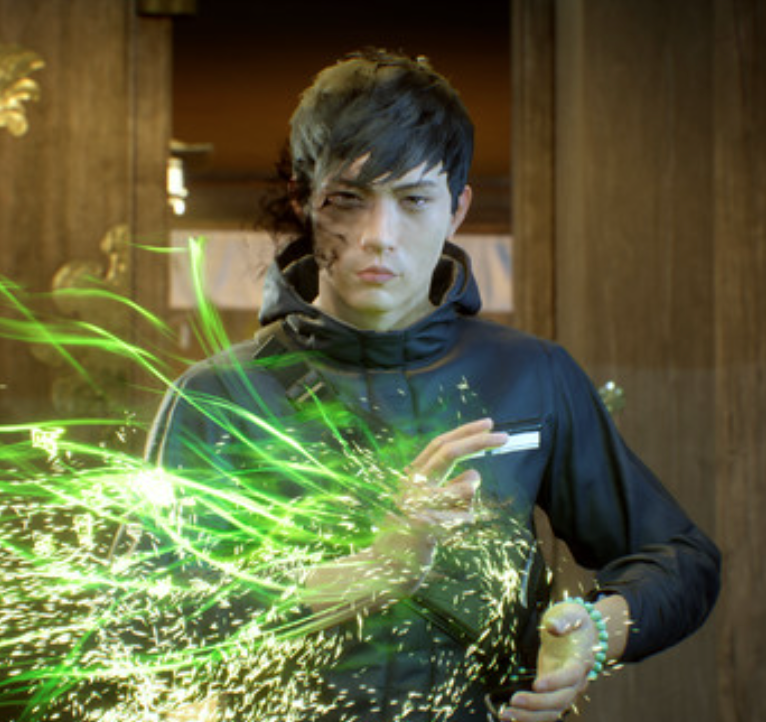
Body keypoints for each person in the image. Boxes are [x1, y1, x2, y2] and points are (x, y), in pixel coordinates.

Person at [146, 48, 720, 722]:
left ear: (456, 209)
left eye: (414, 200)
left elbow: (680, 557)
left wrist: (598, 631)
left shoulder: (532, 376)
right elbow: (153, 610)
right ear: (306, 203)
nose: (379, 236)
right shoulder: (217, 398)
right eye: (348, 200)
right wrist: (368, 571)